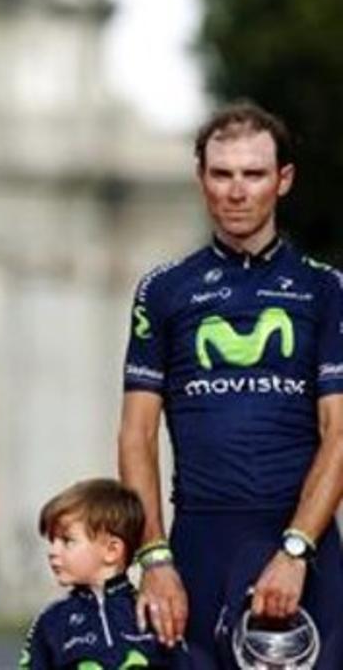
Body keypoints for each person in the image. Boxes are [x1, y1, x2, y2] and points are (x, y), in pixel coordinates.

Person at [117, 101, 343, 668]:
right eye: (222, 174)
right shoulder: (161, 291)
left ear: (282, 180)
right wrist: (154, 560)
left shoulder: (325, 289)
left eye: (254, 174)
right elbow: (136, 434)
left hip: (300, 545)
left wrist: (296, 550)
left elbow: (339, 430)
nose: (237, 191)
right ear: (201, 180)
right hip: (197, 548)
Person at [20, 478, 171, 669]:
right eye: (52, 541)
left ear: (111, 551)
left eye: (67, 541)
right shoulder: (51, 621)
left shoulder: (151, 612)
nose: (52, 551)